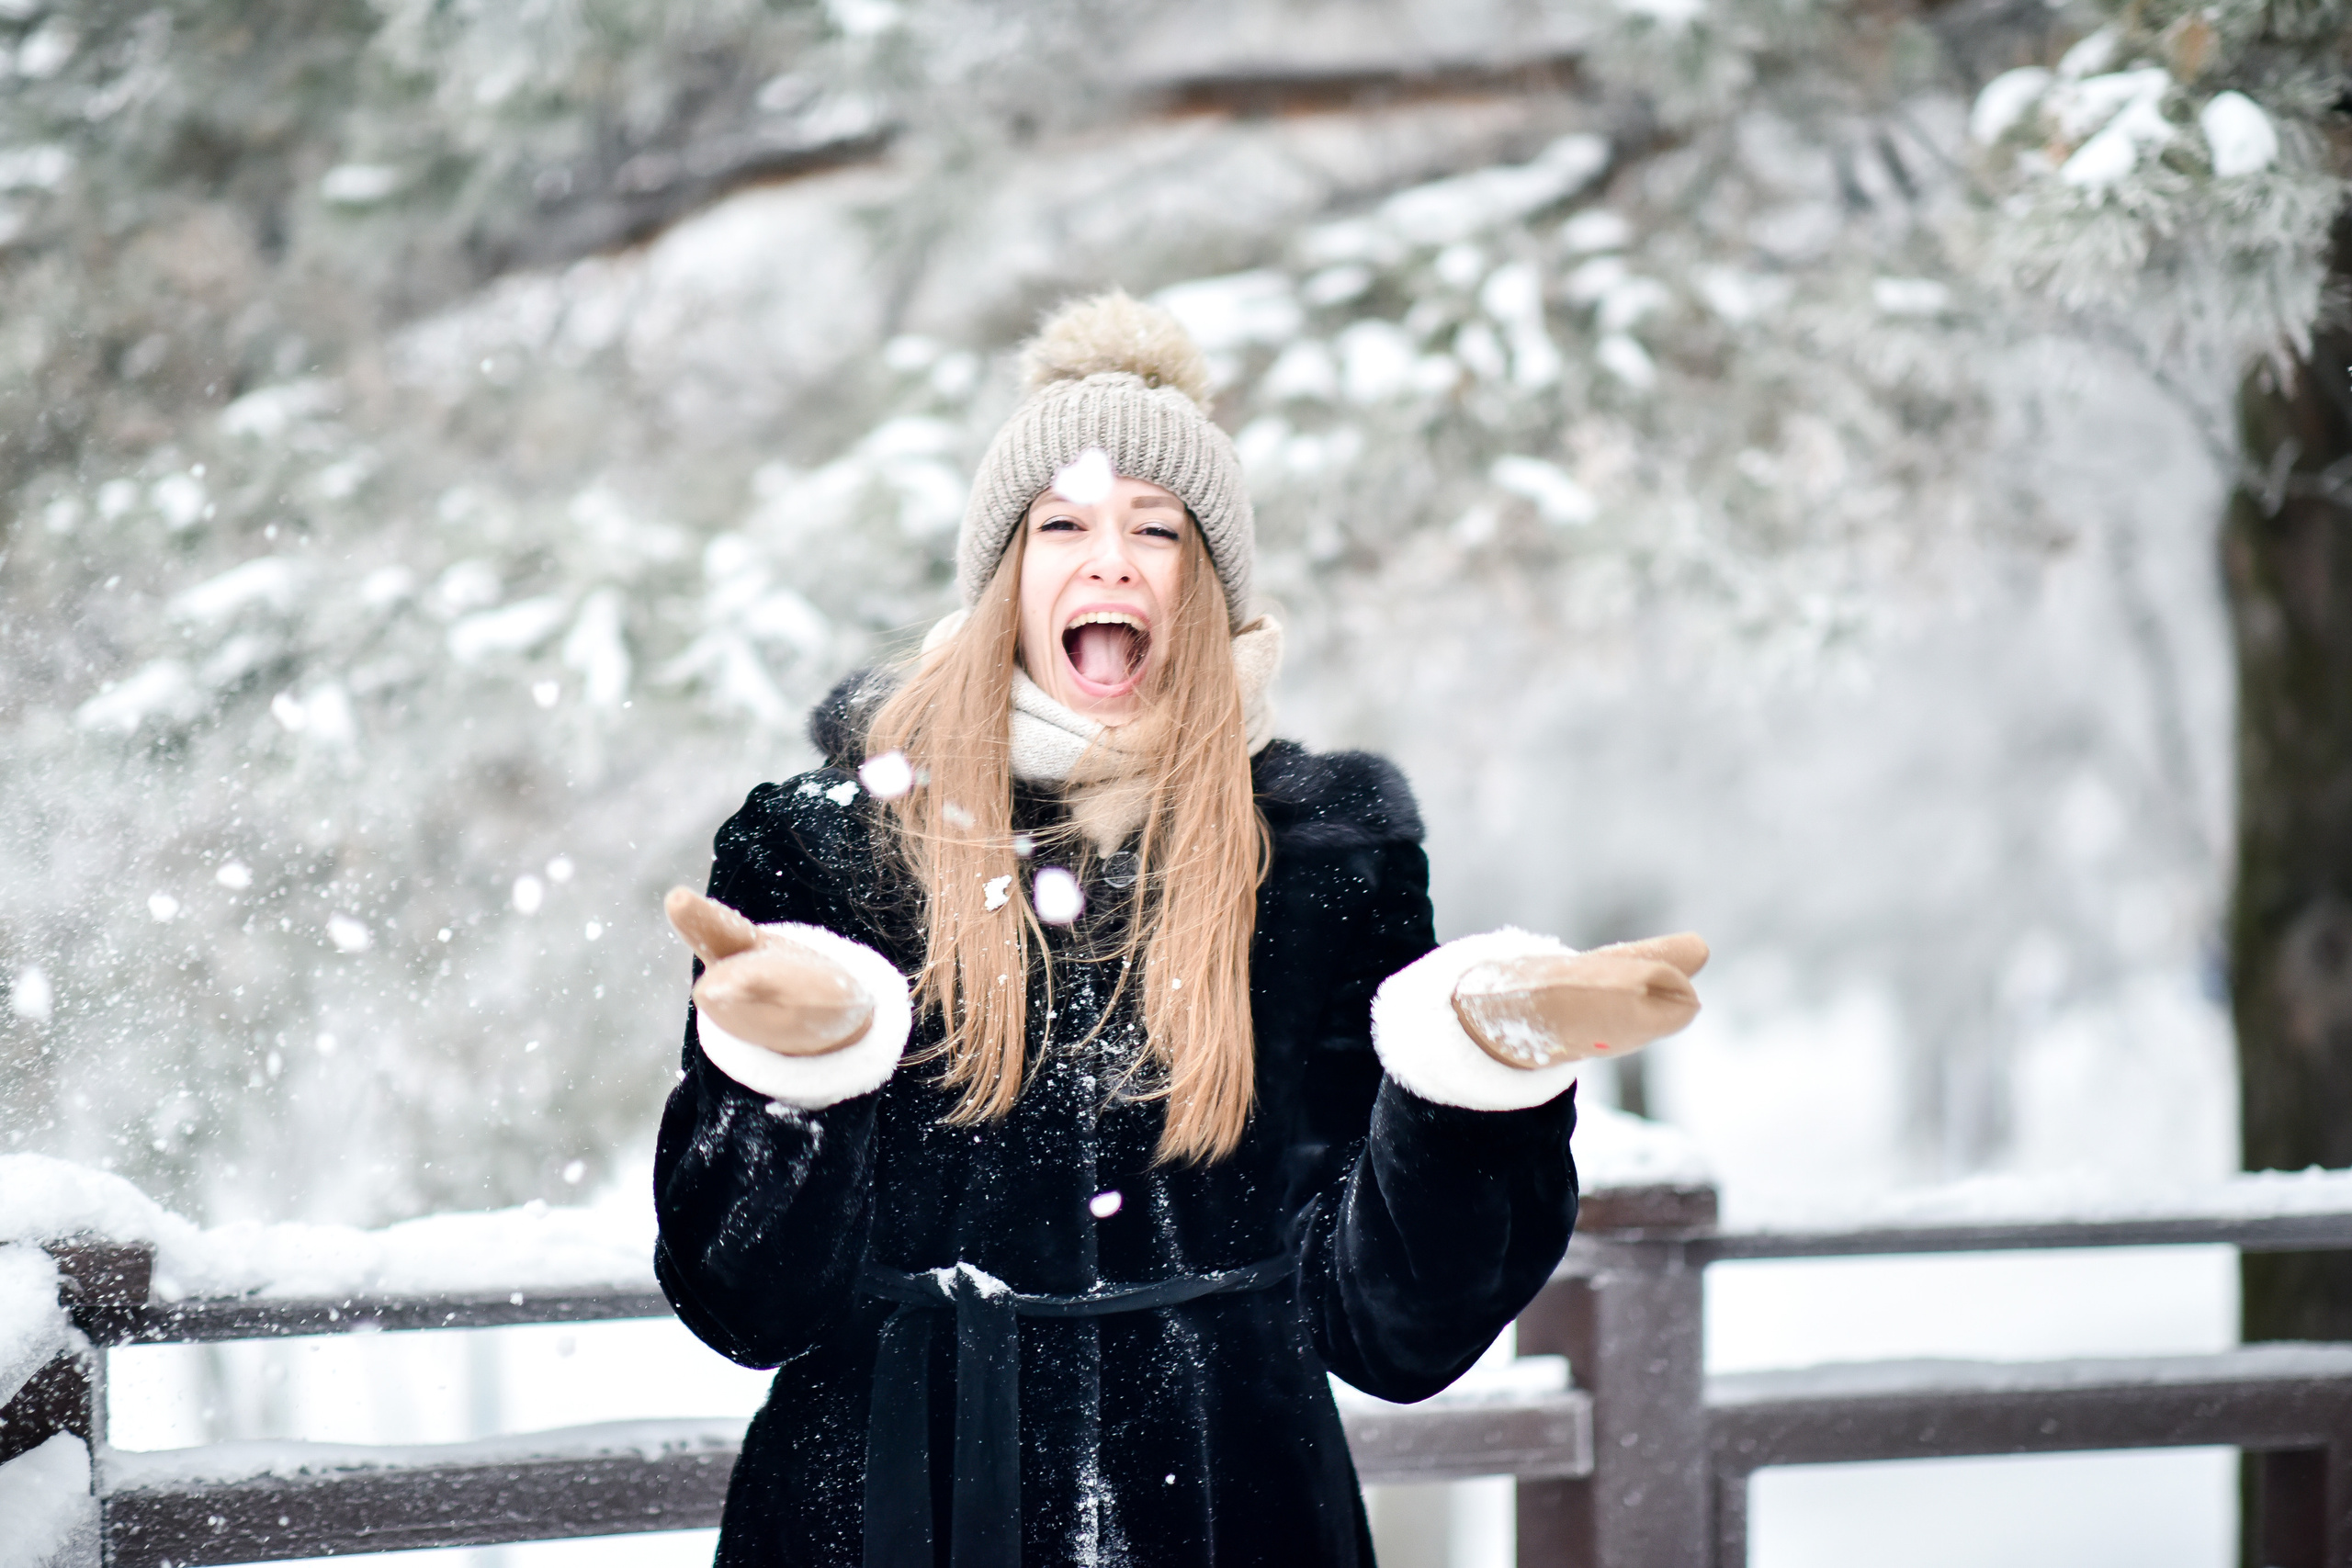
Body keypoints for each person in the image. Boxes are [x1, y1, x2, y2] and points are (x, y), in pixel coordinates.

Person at [651, 292, 1707, 1568]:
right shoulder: (831, 850)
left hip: (1232, 1513)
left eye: (1158, 530)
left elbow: (1390, 1331)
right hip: (887, 1516)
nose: (1112, 561)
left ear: (1202, 586)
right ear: (1005, 577)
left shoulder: (1321, 865)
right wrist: (790, 1086)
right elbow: (742, 1301)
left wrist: (1474, 1080)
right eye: (1065, 526)